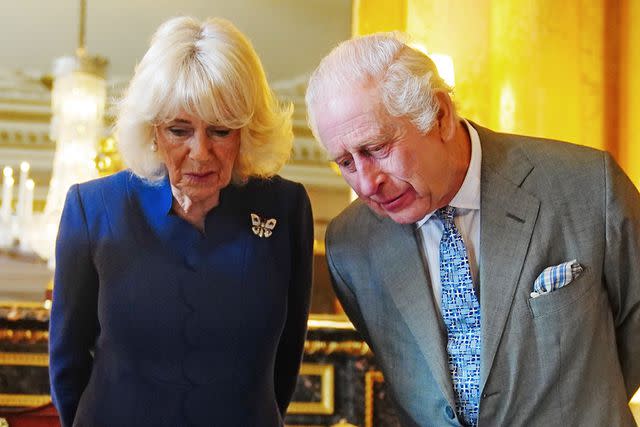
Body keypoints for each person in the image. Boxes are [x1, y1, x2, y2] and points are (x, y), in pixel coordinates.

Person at [305, 33, 640, 426]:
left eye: (377, 148)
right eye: (345, 162)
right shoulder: (351, 244)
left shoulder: (585, 186)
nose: (365, 183)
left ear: (440, 115)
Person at [49, 16, 313, 427]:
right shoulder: (93, 208)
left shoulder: (286, 207)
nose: (200, 152)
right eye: (179, 130)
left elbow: (286, 360)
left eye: (221, 131)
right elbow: (67, 365)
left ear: (246, 132)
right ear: (153, 130)